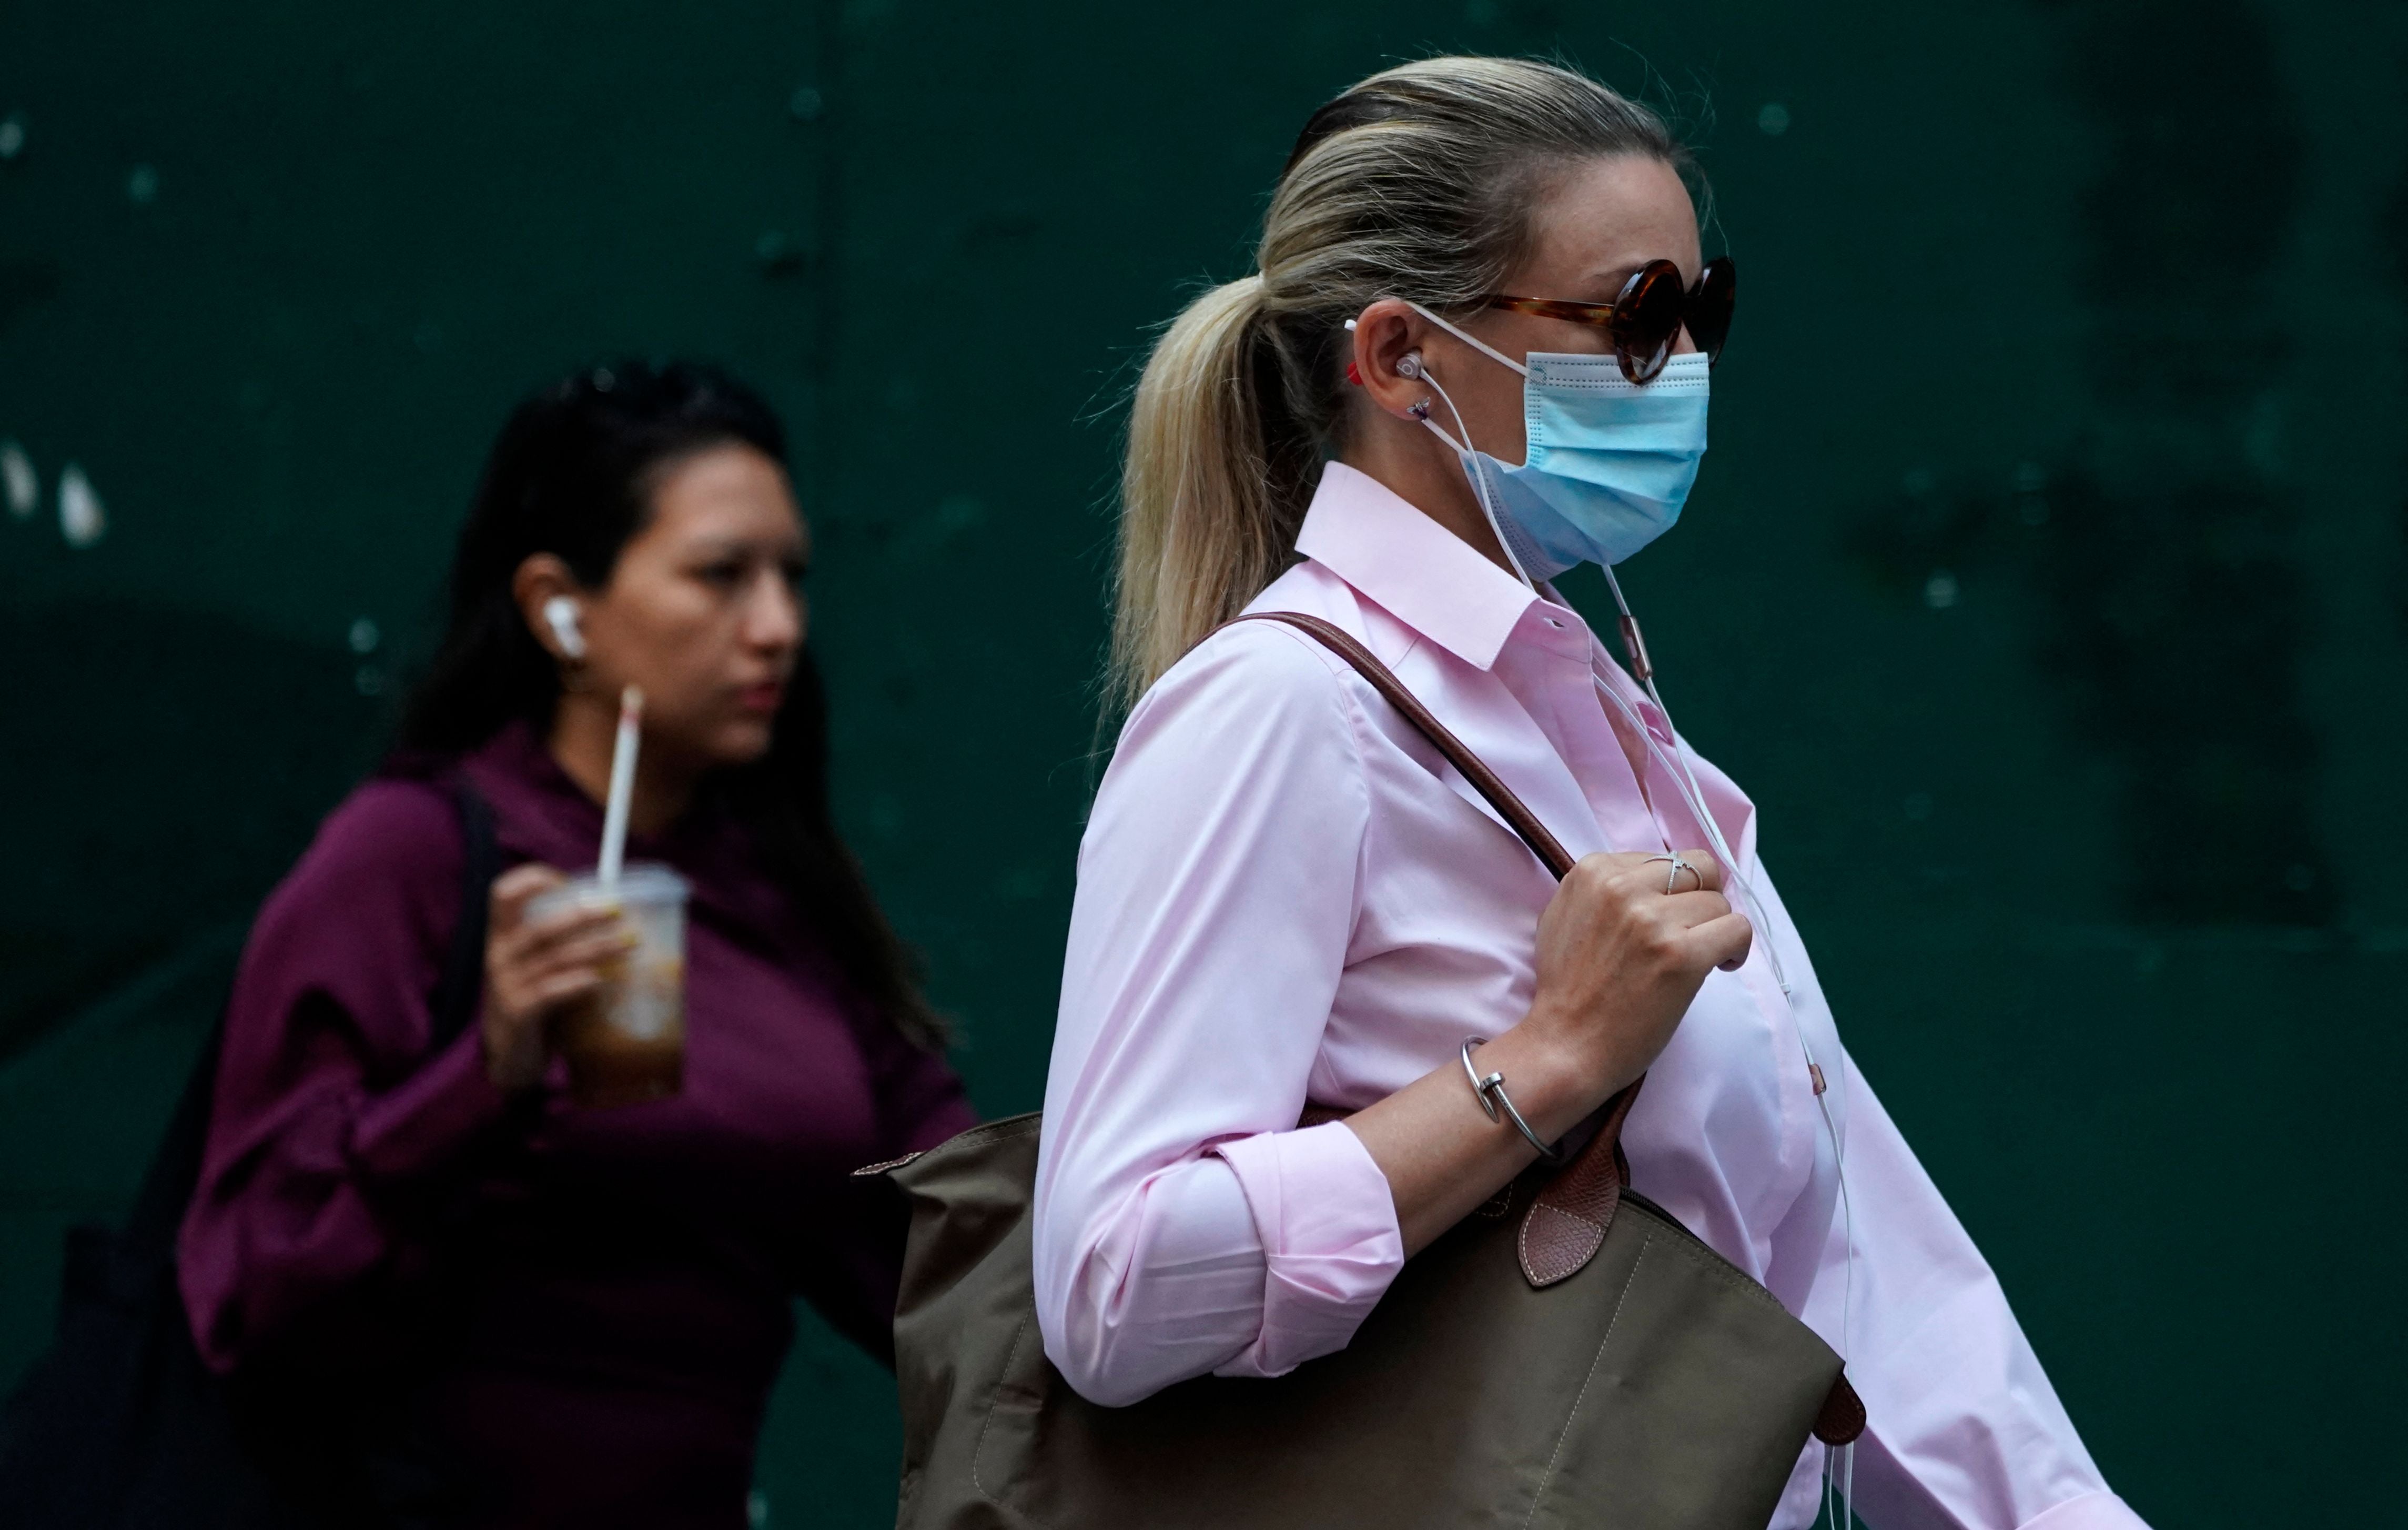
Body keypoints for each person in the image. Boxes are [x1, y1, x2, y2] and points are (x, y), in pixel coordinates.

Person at [1033, 56, 2146, 1529]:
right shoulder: (1281, 708)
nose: (1685, 364)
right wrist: (1547, 1061)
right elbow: (1110, 1280)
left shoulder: (1604, 717)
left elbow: (1862, 1271)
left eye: (1706, 311)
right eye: (1636, 316)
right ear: (1393, 351)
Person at [178, 360, 974, 1528]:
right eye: (719, 575)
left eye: (789, 577)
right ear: (560, 606)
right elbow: (255, 1290)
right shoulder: (411, 856)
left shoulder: (784, 898)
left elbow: (943, 1241)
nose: (777, 626)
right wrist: (480, 1079)